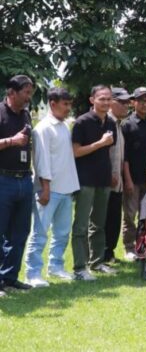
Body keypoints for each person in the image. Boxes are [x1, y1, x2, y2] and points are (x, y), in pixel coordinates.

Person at [25, 86, 79, 287]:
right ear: (52, 104)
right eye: (65, 105)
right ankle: (32, 273)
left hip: (66, 188)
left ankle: (56, 266)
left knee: (62, 233)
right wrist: (44, 188)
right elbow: (41, 162)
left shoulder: (64, 126)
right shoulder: (42, 128)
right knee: (40, 233)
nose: (68, 109)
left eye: (69, 105)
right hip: (49, 189)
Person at [71, 84, 118, 280]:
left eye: (108, 99)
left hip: (103, 179)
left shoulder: (111, 122)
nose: (106, 102)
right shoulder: (82, 122)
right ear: (92, 100)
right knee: (81, 225)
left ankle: (97, 263)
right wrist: (100, 143)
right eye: (102, 99)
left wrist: (112, 174)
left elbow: (108, 152)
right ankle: (79, 268)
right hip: (85, 179)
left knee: (99, 223)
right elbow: (76, 151)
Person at [0, 75, 34, 295]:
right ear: (11, 92)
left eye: (30, 92)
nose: (29, 97)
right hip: (3, 179)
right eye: (25, 92)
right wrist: (12, 141)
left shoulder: (27, 114)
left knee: (20, 232)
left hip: (24, 179)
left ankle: (10, 278)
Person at [120, 86, 146, 262]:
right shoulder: (127, 124)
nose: (145, 103)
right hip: (132, 177)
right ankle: (128, 248)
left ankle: (142, 246)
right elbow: (124, 156)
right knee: (130, 214)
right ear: (133, 102)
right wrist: (127, 179)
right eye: (141, 100)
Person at [103, 87, 129, 264]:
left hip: (118, 180)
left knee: (114, 218)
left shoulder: (119, 124)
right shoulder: (106, 123)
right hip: (106, 180)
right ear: (111, 102)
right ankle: (102, 254)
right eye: (122, 102)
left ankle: (110, 253)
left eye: (128, 103)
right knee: (103, 219)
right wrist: (109, 173)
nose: (126, 106)